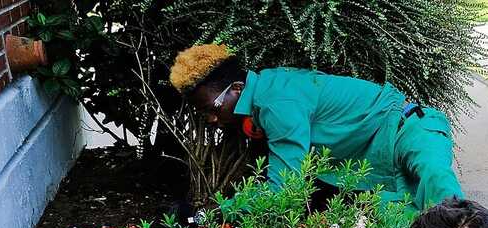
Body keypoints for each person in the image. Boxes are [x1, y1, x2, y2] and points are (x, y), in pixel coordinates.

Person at [168, 44, 463, 212]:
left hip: (410, 132)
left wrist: (216, 213)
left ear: (236, 88)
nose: (211, 118)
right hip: (380, 166)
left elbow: (285, 189)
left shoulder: (275, 103)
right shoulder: (266, 92)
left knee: (446, 203)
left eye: (212, 107)